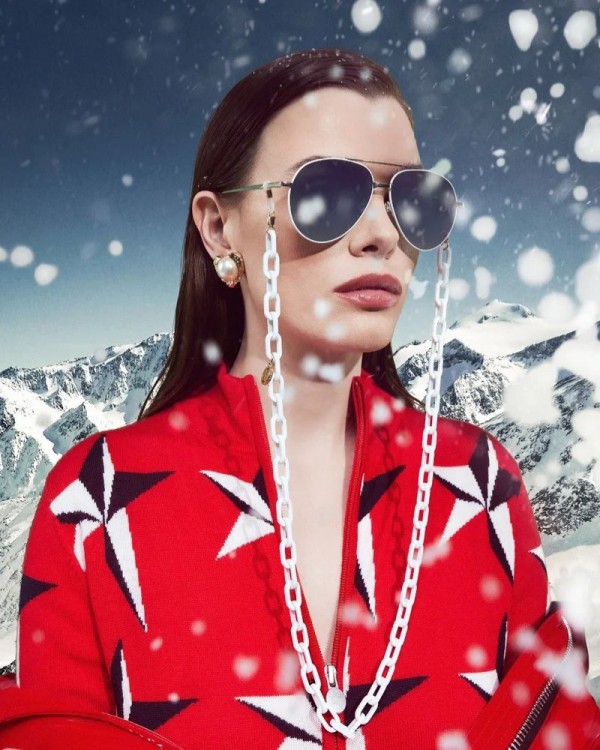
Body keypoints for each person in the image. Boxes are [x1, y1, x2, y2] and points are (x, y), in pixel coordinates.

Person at [4, 47, 599, 750]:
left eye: (413, 200)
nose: (382, 235)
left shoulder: (480, 483)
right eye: (328, 193)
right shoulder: (95, 504)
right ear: (219, 227)